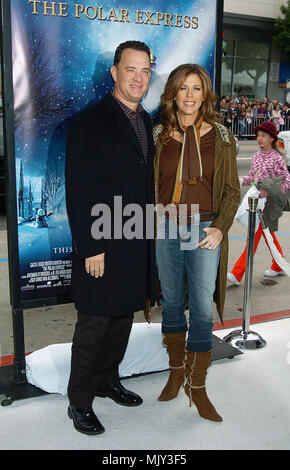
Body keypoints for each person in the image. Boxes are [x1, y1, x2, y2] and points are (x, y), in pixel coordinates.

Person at [65, 40, 156, 435]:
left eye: (145, 71)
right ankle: (79, 401)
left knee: (122, 319)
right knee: (95, 325)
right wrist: (91, 247)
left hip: (135, 241)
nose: (138, 78)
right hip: (102, 242)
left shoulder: (146, 119)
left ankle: (107, 380)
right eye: (130, 70)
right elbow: (79, 190)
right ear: (115, 72)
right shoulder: (90, 121)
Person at [153, 64, 240, 422]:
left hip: (203, 228)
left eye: (196, 88)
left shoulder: (221, 136)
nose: (189, 95)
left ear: (205, 95)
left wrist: (220, 227)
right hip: (165, 227)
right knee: (171, 303)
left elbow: (233, 191)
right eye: (183, 88)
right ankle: (176, 372)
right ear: (173, 93)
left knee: (201, 310)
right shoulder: (159, 134)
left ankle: (198, 386)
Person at [227, 121, 290, 286]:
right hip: (255, 199)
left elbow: (286, 181)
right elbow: (252, 178)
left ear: (271, 138)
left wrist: (269, 191)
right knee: (268, 235)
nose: (259, 139)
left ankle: (237, 273)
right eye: (258, 136)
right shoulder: (256, 156)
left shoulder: (277, 158)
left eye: (263, 136)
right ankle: (278, 264)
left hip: (268, 203)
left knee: (254, 236)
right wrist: (239, 181)